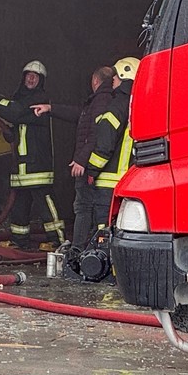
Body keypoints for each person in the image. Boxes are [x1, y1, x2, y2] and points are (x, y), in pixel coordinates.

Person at [0, 60, 65, 250]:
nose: (31, 78)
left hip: (37, 164)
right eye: (28, 75)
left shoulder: (39, 99)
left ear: (41, 81)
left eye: (35, 76)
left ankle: (58, 240)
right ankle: (19, 240)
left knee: (44, 201)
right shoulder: (21, 100)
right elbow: (19, 121)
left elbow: (16, 113)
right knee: (19, 203)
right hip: (21, 163)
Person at [36, 65, 117, 253]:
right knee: (88, 208)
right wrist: (51, 108)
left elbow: (97, 134)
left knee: (84, 208)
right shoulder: (100, 101)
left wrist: (81, 160)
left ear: (95, 81)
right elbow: (79, 115)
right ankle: (87, 249)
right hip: (93, 166)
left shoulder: (101, 100)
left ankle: (79, 250)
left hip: (89, 167)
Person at [81, 57, 138, 249]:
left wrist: (92, 170)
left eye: (115, 76)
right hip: (130, 180)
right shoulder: (138, 106)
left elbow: (104, 144)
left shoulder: (116, 107)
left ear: (124, 75)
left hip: (108, 180)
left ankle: (104, 267)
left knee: (103, 229)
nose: (112, 79)